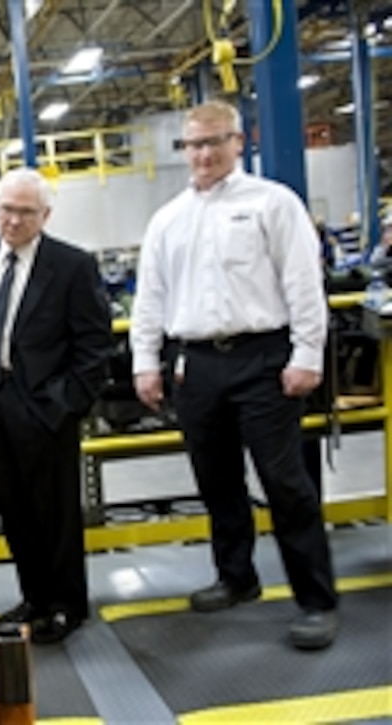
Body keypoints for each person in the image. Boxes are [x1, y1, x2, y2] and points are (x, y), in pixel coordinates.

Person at [129, 100, 339, 650]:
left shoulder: (274, 204)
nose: (201, 154)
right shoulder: (168, 220)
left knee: (285, 483)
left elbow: (302, 284)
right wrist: (145, 363)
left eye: (212, 142)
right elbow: (149, 298)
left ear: (238, 142)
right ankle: (236, 577)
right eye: (192, 145)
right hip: (196, 364)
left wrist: (307, 355)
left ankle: (316, 601)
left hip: (264, 360)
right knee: (216, 481)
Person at [0, 167, 112, 644]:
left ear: (45, 215)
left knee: (57, 513)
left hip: (47, 408)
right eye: (5, 209)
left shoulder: (71, 266)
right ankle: (34, 597)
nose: (13, 221)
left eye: (25, 212)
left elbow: (95, 346)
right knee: (16, 511)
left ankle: (66, 605)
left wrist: (66, 404)